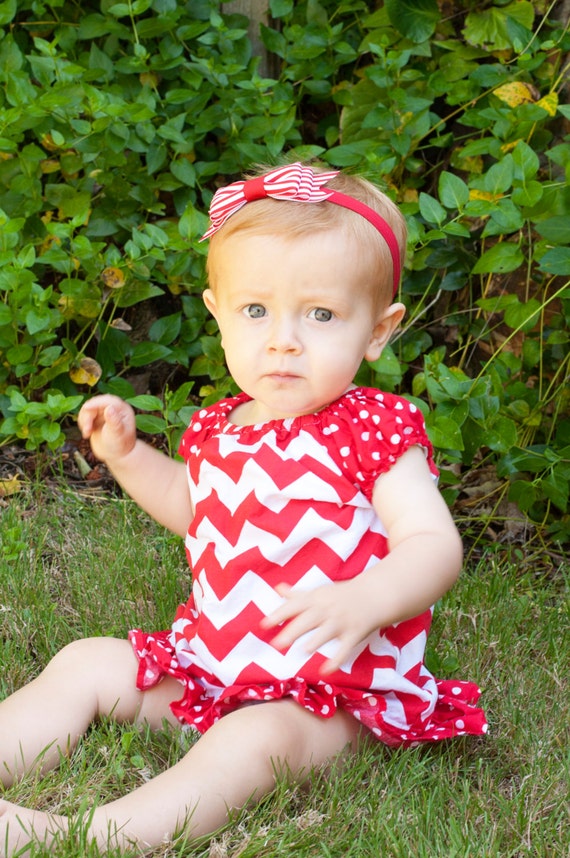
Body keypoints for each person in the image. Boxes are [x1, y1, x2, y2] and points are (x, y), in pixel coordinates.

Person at [0, 162, 487, 855]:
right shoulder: (218, 427)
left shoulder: (374, 427)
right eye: (255, 311)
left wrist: (368, 596)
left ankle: (98, 834)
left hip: (325, 697)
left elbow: (432, 543)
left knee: (253, 740)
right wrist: (130, 458)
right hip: (213, 670)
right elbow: (196, 511)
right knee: (88, 661)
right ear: (218, 315)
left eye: (320, 314)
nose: (283, 339)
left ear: (378, 332)